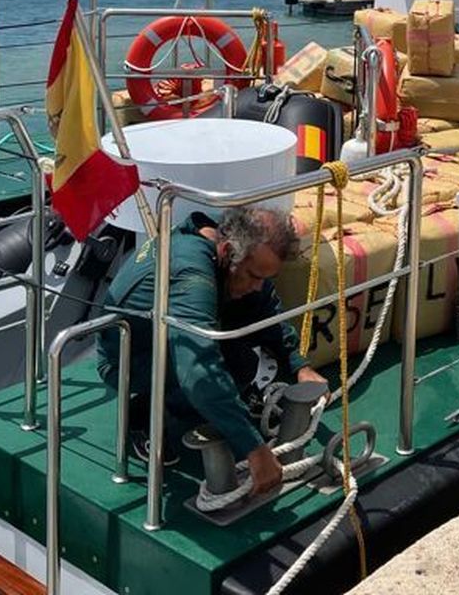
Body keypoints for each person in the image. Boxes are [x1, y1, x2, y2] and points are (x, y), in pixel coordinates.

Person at [98, 207, 326, 494]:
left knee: (240, 362)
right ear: (228, 250)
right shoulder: (192, 271)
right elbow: (198, 371)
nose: (258, 286)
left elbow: (266, 307)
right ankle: (145, 418)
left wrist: (299, 367)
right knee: (213, 375)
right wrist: (254, 449)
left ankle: (214, 411)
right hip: (128, 359)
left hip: (168, 336)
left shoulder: (227, 250)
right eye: (254, 276)